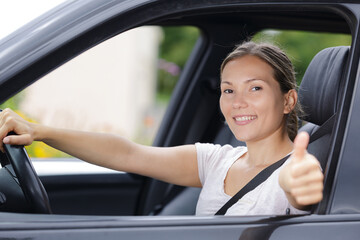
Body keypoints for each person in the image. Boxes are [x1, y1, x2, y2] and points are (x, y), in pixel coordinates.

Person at [0, 41, 323, 216]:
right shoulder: (217, 161)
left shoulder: (294, 170)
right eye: (228, 90)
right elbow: (128, 153)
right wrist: (39, 131)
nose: (237, 102)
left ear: (287, 100)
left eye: (254, 89)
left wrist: (299, 183)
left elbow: (296, 188)